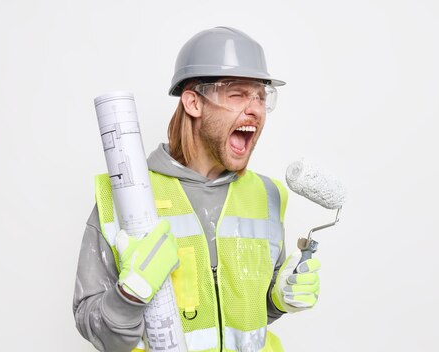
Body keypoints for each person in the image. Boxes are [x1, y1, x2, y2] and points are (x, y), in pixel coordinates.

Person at [73, 26, 321, 352]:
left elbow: (241, 317)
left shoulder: (267, 195)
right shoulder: (122, 196)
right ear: (193, 102)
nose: (256, 109)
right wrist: (130, 294)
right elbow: (95, 328)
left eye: (262, 96)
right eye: (237, 94)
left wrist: (278, 298)